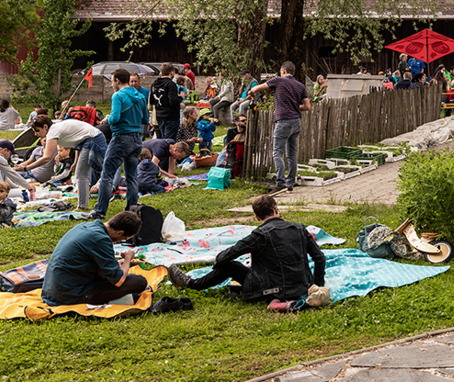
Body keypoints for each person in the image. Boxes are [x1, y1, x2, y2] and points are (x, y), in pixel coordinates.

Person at [167, 195, 326, 302]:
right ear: (276, 209)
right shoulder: (300, 229)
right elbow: (319, 258)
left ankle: (191, 284)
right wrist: (316, 284)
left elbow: (226, 255)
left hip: (270, 289)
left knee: (230, 265)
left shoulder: (259, 235)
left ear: (257, 218)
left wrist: (219, 263)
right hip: (303, 287)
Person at [41, 211, 147, 306]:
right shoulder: (101, 240)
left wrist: (111, 268)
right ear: (120, 233)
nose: (119, 241)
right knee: (139, 281)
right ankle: (118, 301)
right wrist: (128, 259)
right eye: (124, 239)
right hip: (68, 295)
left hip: (52, 289)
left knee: (113, 275)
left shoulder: (85, 226)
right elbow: (118, 281)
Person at [17, 116, 106, 210]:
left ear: (45, 127)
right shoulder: (56, 128)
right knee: (82, 174)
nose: (36, 134)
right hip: (89, 139)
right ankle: (84, 202)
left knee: (88, 173)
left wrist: (26, 168)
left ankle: (84, 205)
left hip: (94, 139)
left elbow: (47, 157)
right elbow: (78, 142)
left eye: (37, 130)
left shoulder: (53, 131)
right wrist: (76, 162)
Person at [94, 68, 148, 219]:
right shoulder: (140, 96)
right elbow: (145, 119)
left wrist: (107, 120)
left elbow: (115, 118)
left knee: (107, 175)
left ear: (117, 80)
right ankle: (131, 210)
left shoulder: (118, 96)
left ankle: (100, 211)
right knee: (132, 176)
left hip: (121, 138)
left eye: (112, 81)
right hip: (137, 139)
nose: (112, 84)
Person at [249, 61, 311, 192]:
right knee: (291, 153)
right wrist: (295, 106)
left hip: (283, 121)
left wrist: (252, 92)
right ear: (293, 72)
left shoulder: (277, 81)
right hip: (296, 122)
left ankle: (280, 182)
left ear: (283, 71)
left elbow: (255, 88)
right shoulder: (300, 86)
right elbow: (307, 106)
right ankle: (290, 183)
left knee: (277, 152)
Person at [150, 63, 183, 140]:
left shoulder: (154, 84)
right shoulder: (170, 84)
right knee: (169, 141)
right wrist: (180, 98)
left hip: (159, 116)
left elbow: (152, 101)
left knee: (162, 140)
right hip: (171, 117)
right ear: (171, 72)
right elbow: (173, 101)